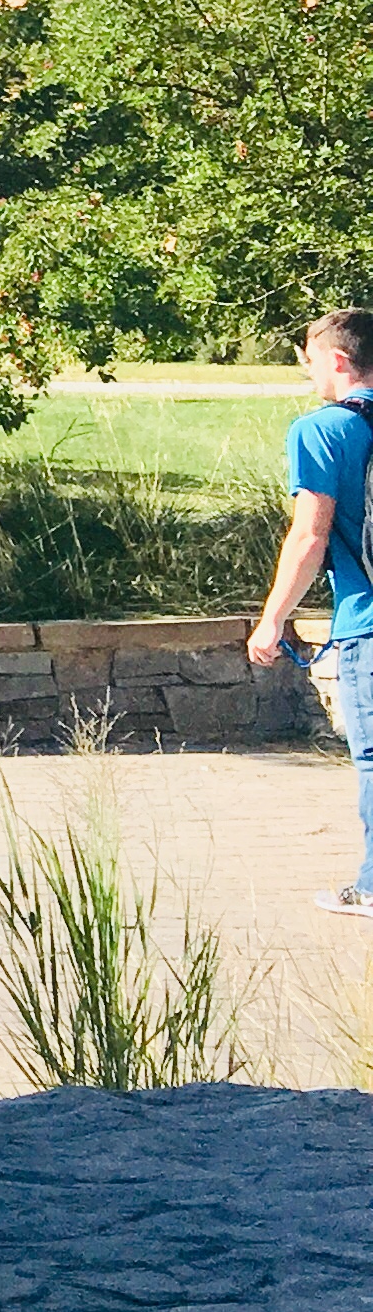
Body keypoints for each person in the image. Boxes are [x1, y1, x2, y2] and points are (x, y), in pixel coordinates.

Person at [246, 306, 373, 917]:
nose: (308, 371)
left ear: (339, 360)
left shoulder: (323, 429)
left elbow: (310, 535)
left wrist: (273, 618)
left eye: (310, 359)